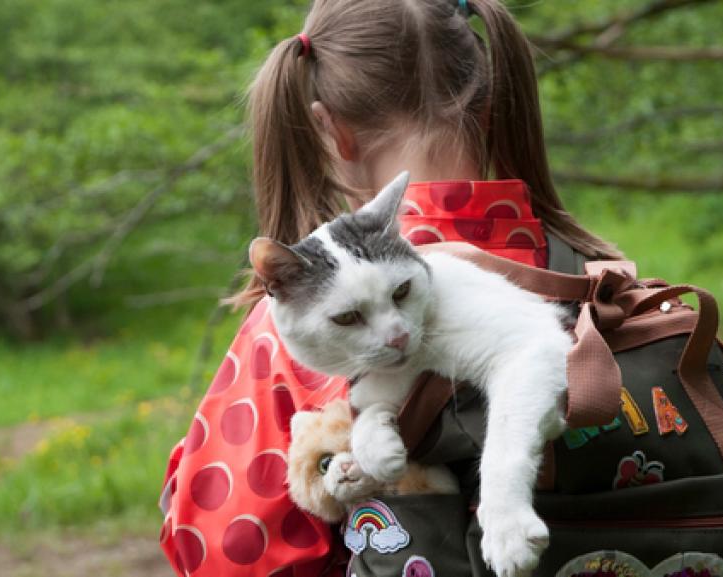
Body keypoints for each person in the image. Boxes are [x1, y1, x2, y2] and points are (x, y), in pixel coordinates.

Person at [158, 0, 620, 574]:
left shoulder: (293, 325)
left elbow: (226, 552)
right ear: (494, 104)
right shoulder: (602, 275)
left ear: (328, 130)